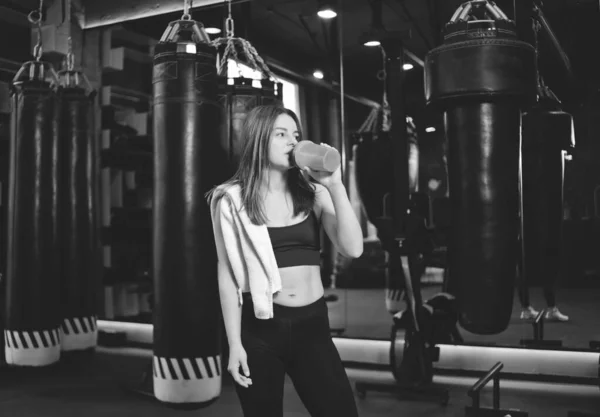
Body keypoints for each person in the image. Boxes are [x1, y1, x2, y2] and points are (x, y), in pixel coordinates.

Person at [207, 105, 363, 417]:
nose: (292, 141)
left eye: (295, 135)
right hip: (260, 331)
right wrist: (234, 344)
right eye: (281, 134)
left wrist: (335, 185)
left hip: (313, 328)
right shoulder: (229, 200)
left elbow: (353, 248)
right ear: (258, 139)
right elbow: (227, 273)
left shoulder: (314, 194)